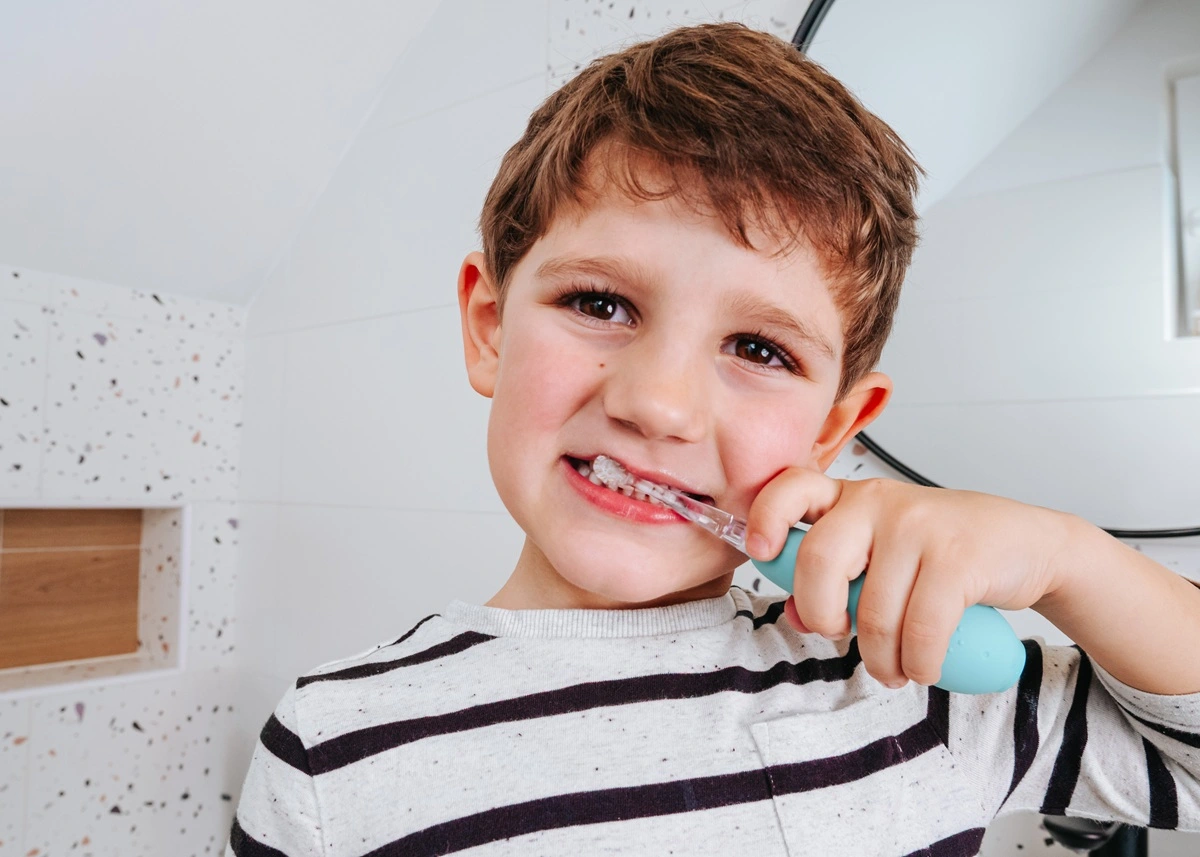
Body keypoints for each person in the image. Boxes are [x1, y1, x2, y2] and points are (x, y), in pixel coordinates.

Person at [226, 22, 1200, 857]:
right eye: (599, 302)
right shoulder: (334, 748)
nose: (659, 404)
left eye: (759, 348)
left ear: (833, 428)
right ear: (489, 327)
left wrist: (1071, 557)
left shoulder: (912, 682)